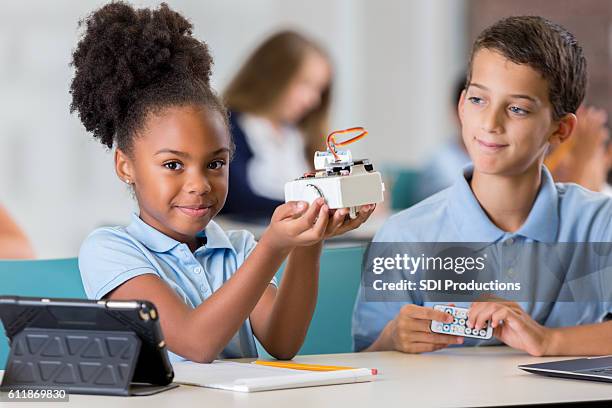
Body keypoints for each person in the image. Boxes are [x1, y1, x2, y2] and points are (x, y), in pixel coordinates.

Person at [72, 2, 373, 363]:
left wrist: (310, 241)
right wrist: (272, 247)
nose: (200, 184)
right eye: (172, 164)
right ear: (125, 166)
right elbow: (195, 343)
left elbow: (283, 341)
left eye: (216, 163)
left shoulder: (237, 248)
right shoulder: (109, 250)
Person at [352, 16, 612, 356]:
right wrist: (390, 340)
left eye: (517, 109)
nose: (490, 124)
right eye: (478, 100)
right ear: (462, 106)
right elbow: (367, 364)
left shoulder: (599, 224)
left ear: (560, 130)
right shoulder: (405, 236)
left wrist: (549, 341)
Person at [221, 31, 332, 221]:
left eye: (319, 89)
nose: (313, 100)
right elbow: (238, 200)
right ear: (272, 75)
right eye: (305, 84)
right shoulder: (228, 128)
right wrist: (315, 209)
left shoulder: (299, 137)